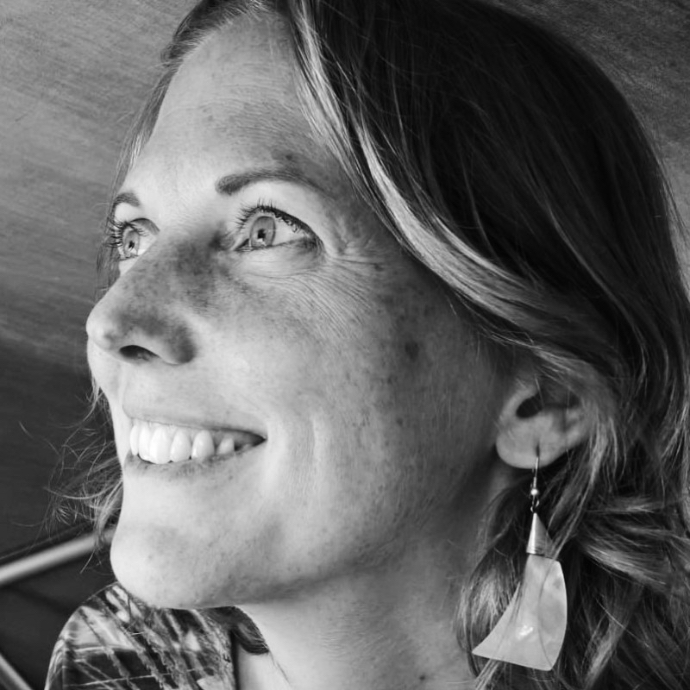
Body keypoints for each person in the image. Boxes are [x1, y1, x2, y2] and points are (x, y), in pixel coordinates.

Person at [46, 0, 690, 688]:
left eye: (266, 229)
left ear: (545, 397)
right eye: (133, 238)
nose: (110, 322)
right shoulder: (117, 657)